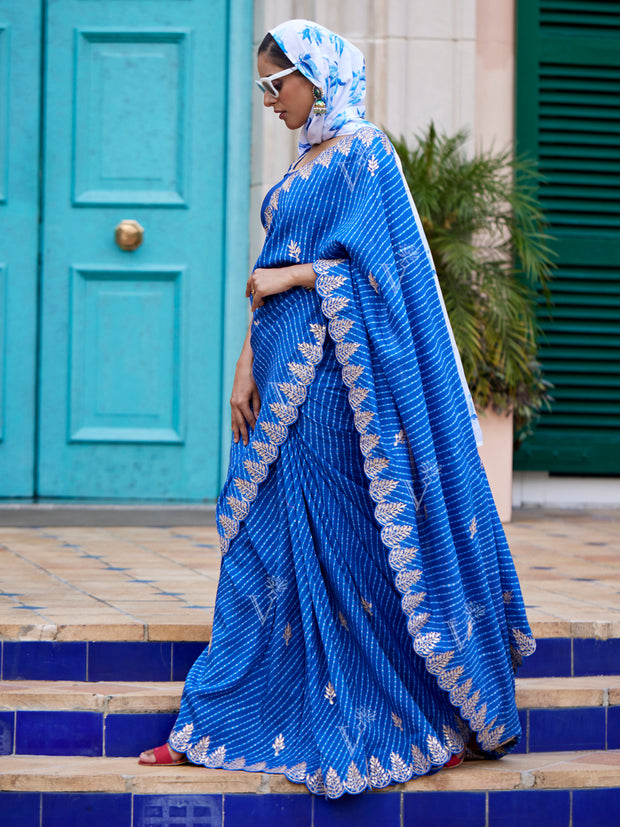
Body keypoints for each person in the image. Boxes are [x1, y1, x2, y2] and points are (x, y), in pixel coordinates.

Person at [138, 19, 535, 798]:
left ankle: (411, 714)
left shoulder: (364, 154)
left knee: (351, 559)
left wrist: (292, 282)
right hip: (278, 390)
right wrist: (246, 362)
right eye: (259, 87)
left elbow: (383, 279)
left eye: (274, 84)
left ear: (317, 77)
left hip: (331, 396)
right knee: (256, 550)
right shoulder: (306, 162)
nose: (267, 101)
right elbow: (265, 272)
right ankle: (213, 720)